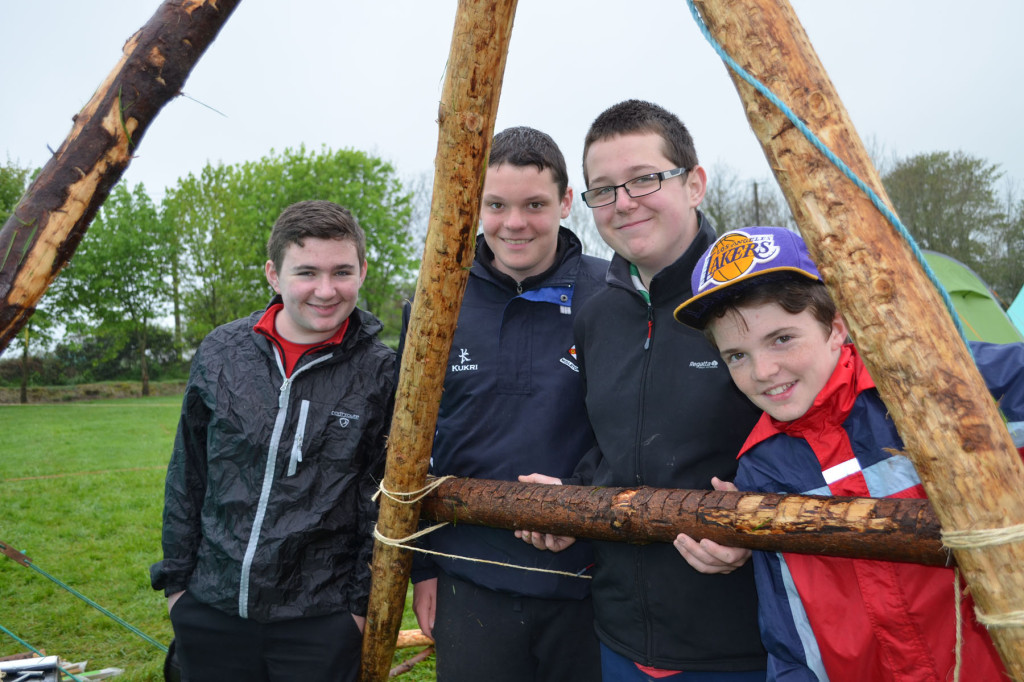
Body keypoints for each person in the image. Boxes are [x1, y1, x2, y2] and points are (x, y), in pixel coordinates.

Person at [673, 225, 1024, 681]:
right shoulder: (762, 468)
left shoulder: (944, 386)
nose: (763, 370)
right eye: (736, 355)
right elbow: (789, 634)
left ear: (836, 327)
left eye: (782, 338)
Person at [519, 100, 767, 680]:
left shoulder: (755, 299)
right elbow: (610, 448)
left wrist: (759, 527)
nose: (623, 202)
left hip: (742, 642)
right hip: (619, 636)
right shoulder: (597, 317)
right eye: (603, 189)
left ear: (694, 183)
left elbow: (818, 441)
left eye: (644, 179)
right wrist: (569, 503)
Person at [150, 200, 396, 682]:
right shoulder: (222, 351)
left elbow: (381, 504)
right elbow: (188, 472)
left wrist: (356, 611)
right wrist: (179, 586)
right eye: (307, 272)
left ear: (362, 272)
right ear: (273, 273)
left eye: (342, 272)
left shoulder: (384, 372)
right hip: (211, 609)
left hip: (319, 623)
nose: (326, 290)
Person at [400, 126, 608, 681]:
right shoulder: (436, 302)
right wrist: (425, 570)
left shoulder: (612, 293)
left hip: (591, 582)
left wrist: (583, 504)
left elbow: (634, 431)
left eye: (535, 204)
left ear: (566, 202)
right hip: (471, 581)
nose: (514, 223)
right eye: (497, 204)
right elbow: (406, 449)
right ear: (476, 205)